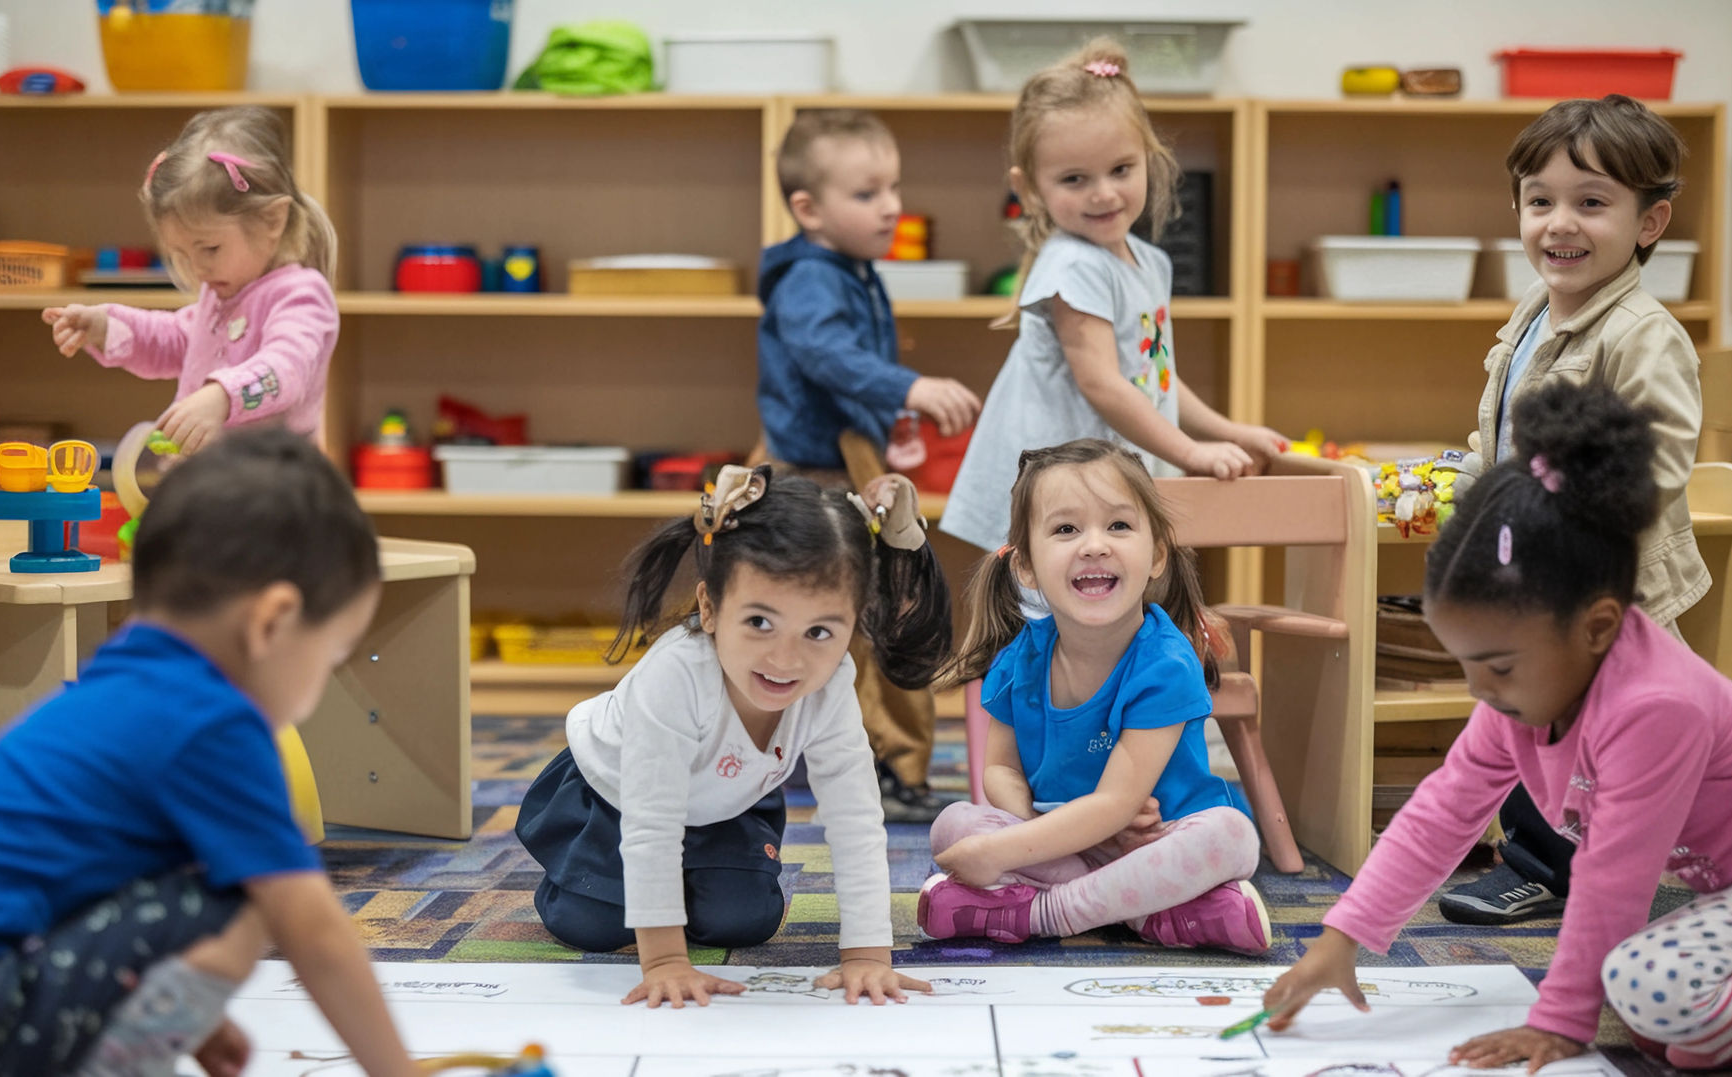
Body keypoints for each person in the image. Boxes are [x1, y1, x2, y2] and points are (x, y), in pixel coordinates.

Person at [1265, 383, 1732, 1073]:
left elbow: (1612, 880)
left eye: (1498, 666)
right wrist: (1342, 935)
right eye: (1466, 664)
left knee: (1646, 984)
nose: (1479, 689)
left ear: (1597, 627)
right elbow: (1441, 812)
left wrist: (1559, 1024)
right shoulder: (1523, 697)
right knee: (1651, 1009)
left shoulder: (1657, 705)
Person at [0, 428, 426, 1076]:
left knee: (200, 862)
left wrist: (181, 1013)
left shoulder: (124, 678)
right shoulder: (210, 717)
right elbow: (311, 927)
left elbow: (88, 881)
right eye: (332, 653)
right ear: (272, 621)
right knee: (249, 892)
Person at [516, 465, 951, 1007]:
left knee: (745, 919)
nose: (786, 659)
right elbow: (652, 822)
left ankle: (680, 885)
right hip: (614, 797)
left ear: (854, 625)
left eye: (819, 631)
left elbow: (856, 818)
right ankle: (589, 878)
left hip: (728, 801)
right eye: (760, 623)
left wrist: (867, 955)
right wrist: (666, 962)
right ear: (709, 608)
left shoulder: (833, 682)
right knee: (592, 923)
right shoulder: (675, 674)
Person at [1441, 94, 1709, 927]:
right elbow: (1500, 424)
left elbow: (1659, 457)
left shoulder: (1643, 334)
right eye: (1540, 201)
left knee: (1580, 730)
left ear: (1649, 221)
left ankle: (1551, 866)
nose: (1560, 223)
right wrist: (1471, 488)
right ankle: (1560, 853)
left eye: (1591, 202)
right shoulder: (1533, 310)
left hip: (1600, 581)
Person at [917, 439, 1269, 955]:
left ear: (1157, 555)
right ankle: (1152, 912)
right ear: (1026, 567)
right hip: (1063, 843)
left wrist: (1003, 854)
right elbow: (1001, 770)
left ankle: (1043, 913)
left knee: (1233, 835)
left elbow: (1116, 806)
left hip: (1159, 840)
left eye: (1119, 525)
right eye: (1066, 530)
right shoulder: (1020, 658)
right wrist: (1029, 828)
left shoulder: (1166, 664)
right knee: (952, 825)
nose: (1094, 545)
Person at [940, 40, 1286, 558]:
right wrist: (1191, 452)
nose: (1103, 193)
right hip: (1051, 489)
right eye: (1074, 179)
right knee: (1043, 602)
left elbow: (1153, 378)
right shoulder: (1073, 265)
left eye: (1121, 170)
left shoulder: (1150, 262)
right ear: (1028, 189)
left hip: (1091, 488)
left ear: (1148, 159)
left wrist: (1227, 430)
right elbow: (1102, 383)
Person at [757, 107, 981, 821]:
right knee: (861, 617)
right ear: (808, 210)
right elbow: (824, 353)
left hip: (845, 463)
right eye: (866, 193)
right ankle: (874, 762)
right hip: (817, 475)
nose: (891, 207)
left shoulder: (848, 269)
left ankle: (882, 760)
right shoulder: (810, 278)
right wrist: (906, 388)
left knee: (882, 608)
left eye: (893, 188)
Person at [42, 105, 338, 454]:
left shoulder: (301, 295)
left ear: (272, 220)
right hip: (212, 472)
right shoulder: (222, 294)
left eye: (210, 249)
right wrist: (106, 326)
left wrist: (222, 396)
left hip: (274, 479)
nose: (198, 269)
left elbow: (285, 370)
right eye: (181, 254)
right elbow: (176, 338)